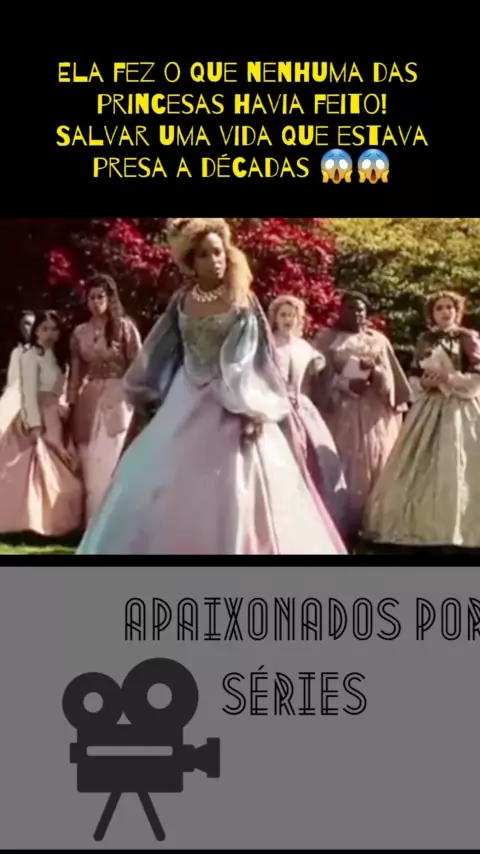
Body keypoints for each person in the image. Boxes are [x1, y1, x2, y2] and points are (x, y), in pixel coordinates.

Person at [77, 217, 346, 555]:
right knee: (159, 476)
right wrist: (147, 391)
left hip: (233, 399)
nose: (214, 260)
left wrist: (251, 407)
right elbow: (162, 347)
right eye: (204, 254)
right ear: (190, 261)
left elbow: (252, 357)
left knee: (236, 483)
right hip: (184, 394)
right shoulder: (182, 300)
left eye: (218, 252)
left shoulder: (242, 299)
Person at [364, 290, 480, 549]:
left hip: (461, 406)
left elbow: (477, 375)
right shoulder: (425, 339)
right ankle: (421, 525)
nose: (445, 312)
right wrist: (425, 383)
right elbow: (415, 375)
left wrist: (450, 379)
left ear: (457, 311)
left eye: (449, 307)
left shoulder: (468, 337)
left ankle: (463, 527)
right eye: (439, 308)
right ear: (432, 314)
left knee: (459, 461)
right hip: (430, 405)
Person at [313, 292, 411, 541]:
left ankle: (376, 521)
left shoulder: (378, 340)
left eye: (361, 310)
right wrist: (345, 383)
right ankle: (342, 523)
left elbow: (392, 378)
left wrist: (375, 372)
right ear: (341, 311)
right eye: (351, 309)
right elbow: (319, 378)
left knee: (378, 460)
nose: (357, 314)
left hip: (373, 412)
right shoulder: (326, 339)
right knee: (345, 460)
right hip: (340, 411)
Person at [268, 293, 349, 535]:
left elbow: (320, 376)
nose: (288, 320)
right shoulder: (268, 346)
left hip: (302, 407)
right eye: (283, 315)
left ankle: (311, 512)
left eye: (292, 315)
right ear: (275, 318)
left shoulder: (304, 347)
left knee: (313, 458)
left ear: (299, 319)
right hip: (275, 407)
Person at [0, 310, 83, 537]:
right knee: (32, 468)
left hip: (55, 416)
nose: (50, 334)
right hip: (35, 415)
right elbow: (27, 392)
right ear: (36, 331)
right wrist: (35, 426)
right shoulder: (29, 357)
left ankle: (52, 522)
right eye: (45, 329)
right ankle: (28, 522)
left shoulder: (59, 359)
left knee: (65, 473)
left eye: (54, 329)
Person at [66, 273, 142, 521]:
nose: (96, 302)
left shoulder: (124, 327)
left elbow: (139, 365)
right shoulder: (80, 332)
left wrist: (140, 398)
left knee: (110, 460)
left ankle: (114, 523)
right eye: (92, 298)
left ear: (110, 299)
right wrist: (70, 403)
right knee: (89, 463)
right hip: (89, 400)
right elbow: (76, 374)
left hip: (119, 398)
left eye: (101, 297)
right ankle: (92, 524)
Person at [0, 310, 35, 435]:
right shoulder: (17, 352)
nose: (27, 328)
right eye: (25, 324)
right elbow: (12, 379)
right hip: (18, 392)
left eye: (31, 324)